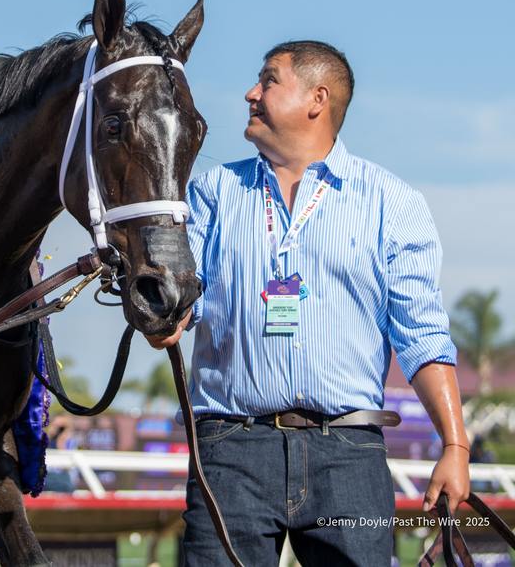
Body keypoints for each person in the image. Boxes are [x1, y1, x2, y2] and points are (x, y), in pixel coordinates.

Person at [149, 41, 470, 565]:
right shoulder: (211, 193)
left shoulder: (392, 202)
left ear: (317, 99)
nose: (251, 93)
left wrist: (455, 447)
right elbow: (182, 304)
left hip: (349, 454)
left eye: (268, 80)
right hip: (230, 450)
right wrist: (162, 313)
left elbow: (422, 336)